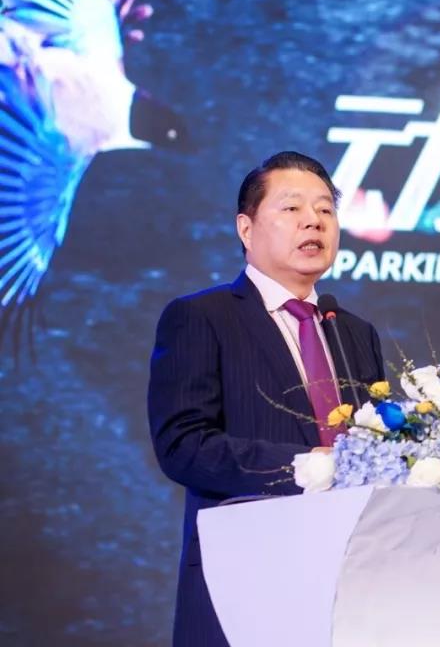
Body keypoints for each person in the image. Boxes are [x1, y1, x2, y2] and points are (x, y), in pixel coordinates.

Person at [147, 150, 385, 646]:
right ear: (246, 228)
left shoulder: (354, 332)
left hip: (350, 584)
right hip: (245, 580)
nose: (313, 222)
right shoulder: (203, 317)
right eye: (292, 208)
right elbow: (183, 446)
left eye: (325, 210)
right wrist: (309, 465)